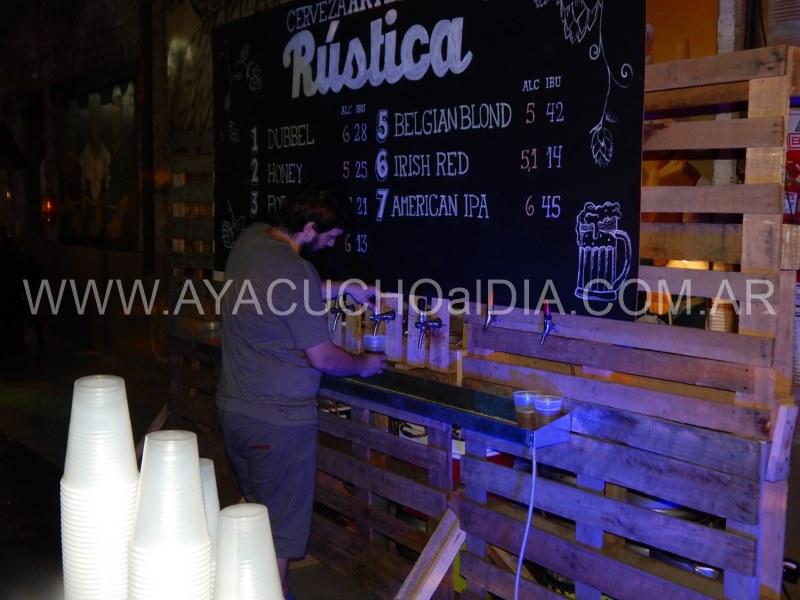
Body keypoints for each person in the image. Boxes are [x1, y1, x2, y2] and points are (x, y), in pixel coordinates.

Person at [215, 185, 386, 600]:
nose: (332, 244)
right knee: (278, 537)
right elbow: (324, 358)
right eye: (330, 236)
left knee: (257, 519)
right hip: (278, 424)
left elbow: (286, 289)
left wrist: (344, 287)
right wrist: (364, 363)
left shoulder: (251, 240)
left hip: (235, 411)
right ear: (310, 228)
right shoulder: (295, 270)